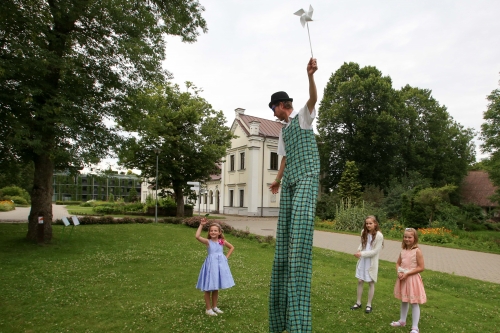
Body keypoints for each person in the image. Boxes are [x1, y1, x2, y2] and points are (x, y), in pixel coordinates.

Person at [268, 58, 320, 333]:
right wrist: (277, 181)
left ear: (281, 105)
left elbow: (313, 98)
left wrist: (310, 75)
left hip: (308, 176)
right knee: (284, 248)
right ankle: (281, 320)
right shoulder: (283, 131)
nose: (274, 113)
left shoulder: (302, 116)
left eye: (274, 108)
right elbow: (284, 160)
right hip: (290, 180)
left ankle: (299, 315)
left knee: (299, 236)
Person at [195, 218, 235, 316]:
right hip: (210, 266)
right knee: (208, 287)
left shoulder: (222, 241)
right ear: (209, 232)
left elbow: (232, 247)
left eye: (215, 231)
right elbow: (197, 236)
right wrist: (201, 225)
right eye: (211, 230)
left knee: (216, 287)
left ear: (219, 232)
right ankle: (208, 309)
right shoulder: (208, 242)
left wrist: (226, 257)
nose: (213, 232)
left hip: (219, 266)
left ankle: (214, 307)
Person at [390, 227, 427, 333]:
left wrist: (407, 273)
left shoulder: (417, 251)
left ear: (414, 238)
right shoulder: (403, 251)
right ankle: (402, 320)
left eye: (409, 237)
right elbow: (398, 263)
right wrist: (399, 272)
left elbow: (421, 267)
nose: (407, 239)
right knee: (404, 300)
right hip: (403, 278)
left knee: (414, 302)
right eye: (405, 237)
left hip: (412, 280)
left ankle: (415, 327)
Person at [350, 215, 384, 314]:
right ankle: (358, 302)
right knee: (360, 280)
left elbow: (375, 251)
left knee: (370, 282)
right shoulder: (363, 232)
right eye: (367, 223)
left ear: (375, 224)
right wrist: (359, 250)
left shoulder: (379, 235)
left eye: (370, 223)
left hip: (371, 261)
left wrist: (362, 254)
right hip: (363, 260)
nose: (368, 225)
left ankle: (369, 304)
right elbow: (362, 243)